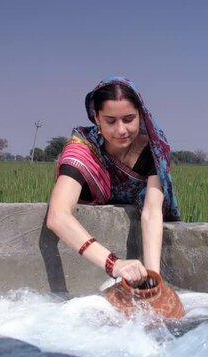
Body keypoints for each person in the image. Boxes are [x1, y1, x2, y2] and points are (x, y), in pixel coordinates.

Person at [46, 76, 180, 287]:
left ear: (141, 115)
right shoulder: (81, 150)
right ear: (96, 118)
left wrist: (153, 279)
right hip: (91, 247)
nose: (121, 130)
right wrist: (114, 264)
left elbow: (153, 211)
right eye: (110, 121)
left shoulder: (154, 149)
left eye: (129, 119)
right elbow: (57, 216)